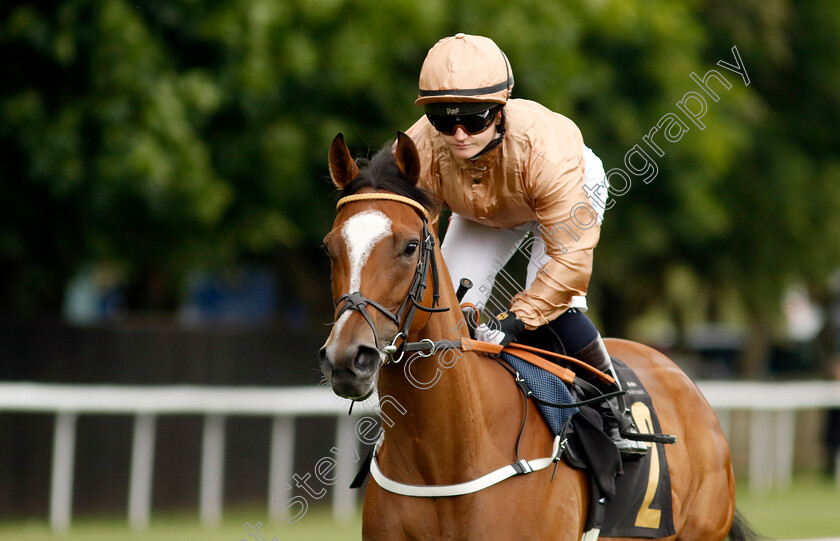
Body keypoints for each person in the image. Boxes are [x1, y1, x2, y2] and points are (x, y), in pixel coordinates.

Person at [404, 33, 647, 458]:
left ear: (500, 111)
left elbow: (569, 263)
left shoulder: (549, 155)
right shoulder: (419, 145)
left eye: (474, 119)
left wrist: (518, 320)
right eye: (444, 121)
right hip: (481, 208)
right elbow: (406, 227)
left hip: (563, 192)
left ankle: (613, 408)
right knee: (448, 308)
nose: (459, 134)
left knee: (555, 311)